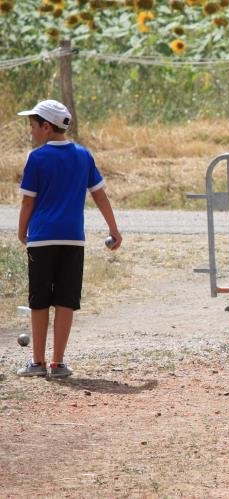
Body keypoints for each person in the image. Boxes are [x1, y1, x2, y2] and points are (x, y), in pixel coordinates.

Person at [16, 99, 122, 378]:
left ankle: (37, 362)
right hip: (73, 239)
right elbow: (99, 194)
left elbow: (28, 203)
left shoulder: (37, 158)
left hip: (41, 239)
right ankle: (58, 362)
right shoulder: (83, 155)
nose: (32, 131)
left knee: (39, 300)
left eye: (33, 125)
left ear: (47, 127)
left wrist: (21, 230)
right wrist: (114, 228)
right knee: (65, 300)